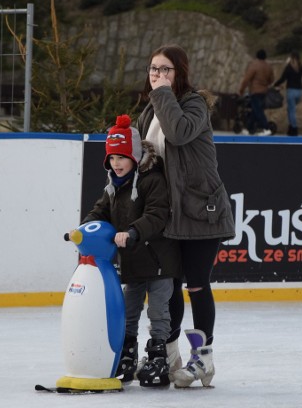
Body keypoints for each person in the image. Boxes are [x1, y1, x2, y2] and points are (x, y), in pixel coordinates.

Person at [137, 44, 235, 389]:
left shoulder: (193, 105)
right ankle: (171, 356)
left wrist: (162, 93)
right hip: (171, 216)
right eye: (153, 69)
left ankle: (203, 361)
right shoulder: (149, 112)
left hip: (202, 212)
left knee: (196, 284)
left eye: (165, 70)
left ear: (180, 74)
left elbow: (177, 132)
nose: (157, 76)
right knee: (170, 287)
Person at [81, 114, 180, 388]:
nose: (117, 164)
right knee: (129, 310)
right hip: (133, 262)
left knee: (159, 311)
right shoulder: (113, 186)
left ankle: (158, 356)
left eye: (122, 158)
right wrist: (85, 228)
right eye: (112, 159)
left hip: (159, 260)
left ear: (135, 157)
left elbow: (157, 214)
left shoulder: (152, 180)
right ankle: (127, 354)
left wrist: (133, 231)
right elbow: (100, 210)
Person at [237, 49, 275, 136]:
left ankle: (266, 128)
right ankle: (248, 129)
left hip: (255, 91)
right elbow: (271, 80)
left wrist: (241, 90)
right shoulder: (269, 67)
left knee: (258, 110)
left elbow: (246, 79)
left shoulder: (254, 66)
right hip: (264, 92)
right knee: (255, 110)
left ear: (257, 56)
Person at [273, 51, 302, 136]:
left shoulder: (289, 67)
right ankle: (290, 128)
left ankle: (294, 129)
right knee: (290, 110)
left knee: (292, 111)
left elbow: (283, 78)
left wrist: (275, 84)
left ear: (291, 58)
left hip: (291, 91)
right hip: (300, 91)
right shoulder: (301, 67)